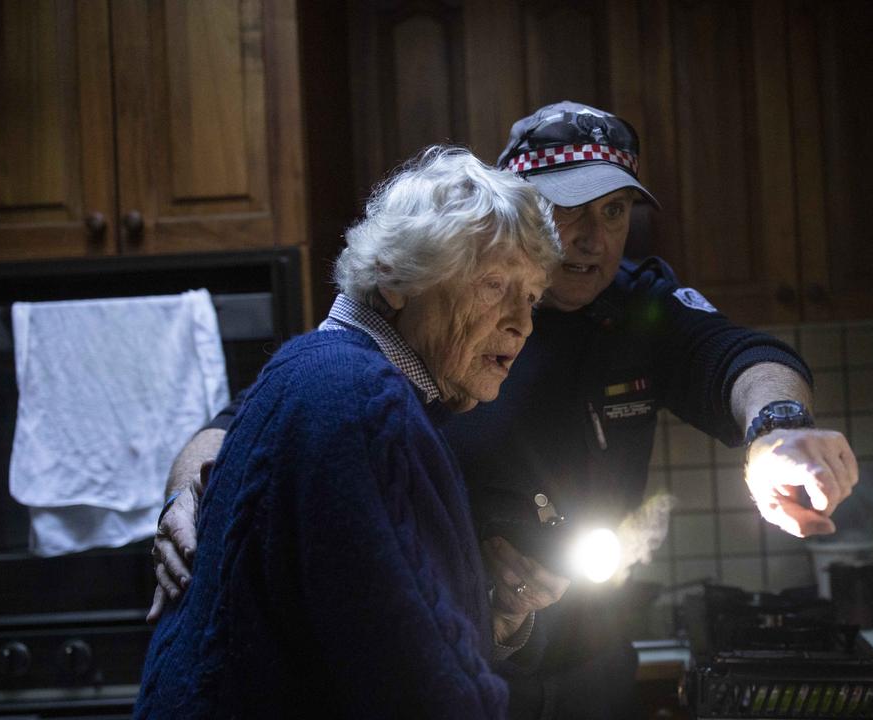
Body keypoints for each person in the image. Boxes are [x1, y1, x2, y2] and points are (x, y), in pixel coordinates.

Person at [150, 103, 860, 719]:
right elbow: (241, 436)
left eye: (615, 212)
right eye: (498, 286)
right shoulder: (370, 382)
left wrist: (777, 431)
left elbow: (739, 357)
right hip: (480, 671)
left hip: (572, 662)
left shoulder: (636, 308)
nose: (591, 238)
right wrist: (189, 496)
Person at [134, 147, 563, 719]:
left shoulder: (330, 373)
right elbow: (415, 691)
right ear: (396, 279)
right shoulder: (359, 402)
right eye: (494, 285)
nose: (523, 322)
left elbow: (366, 640)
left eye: (531, 296)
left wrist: (495, 616)